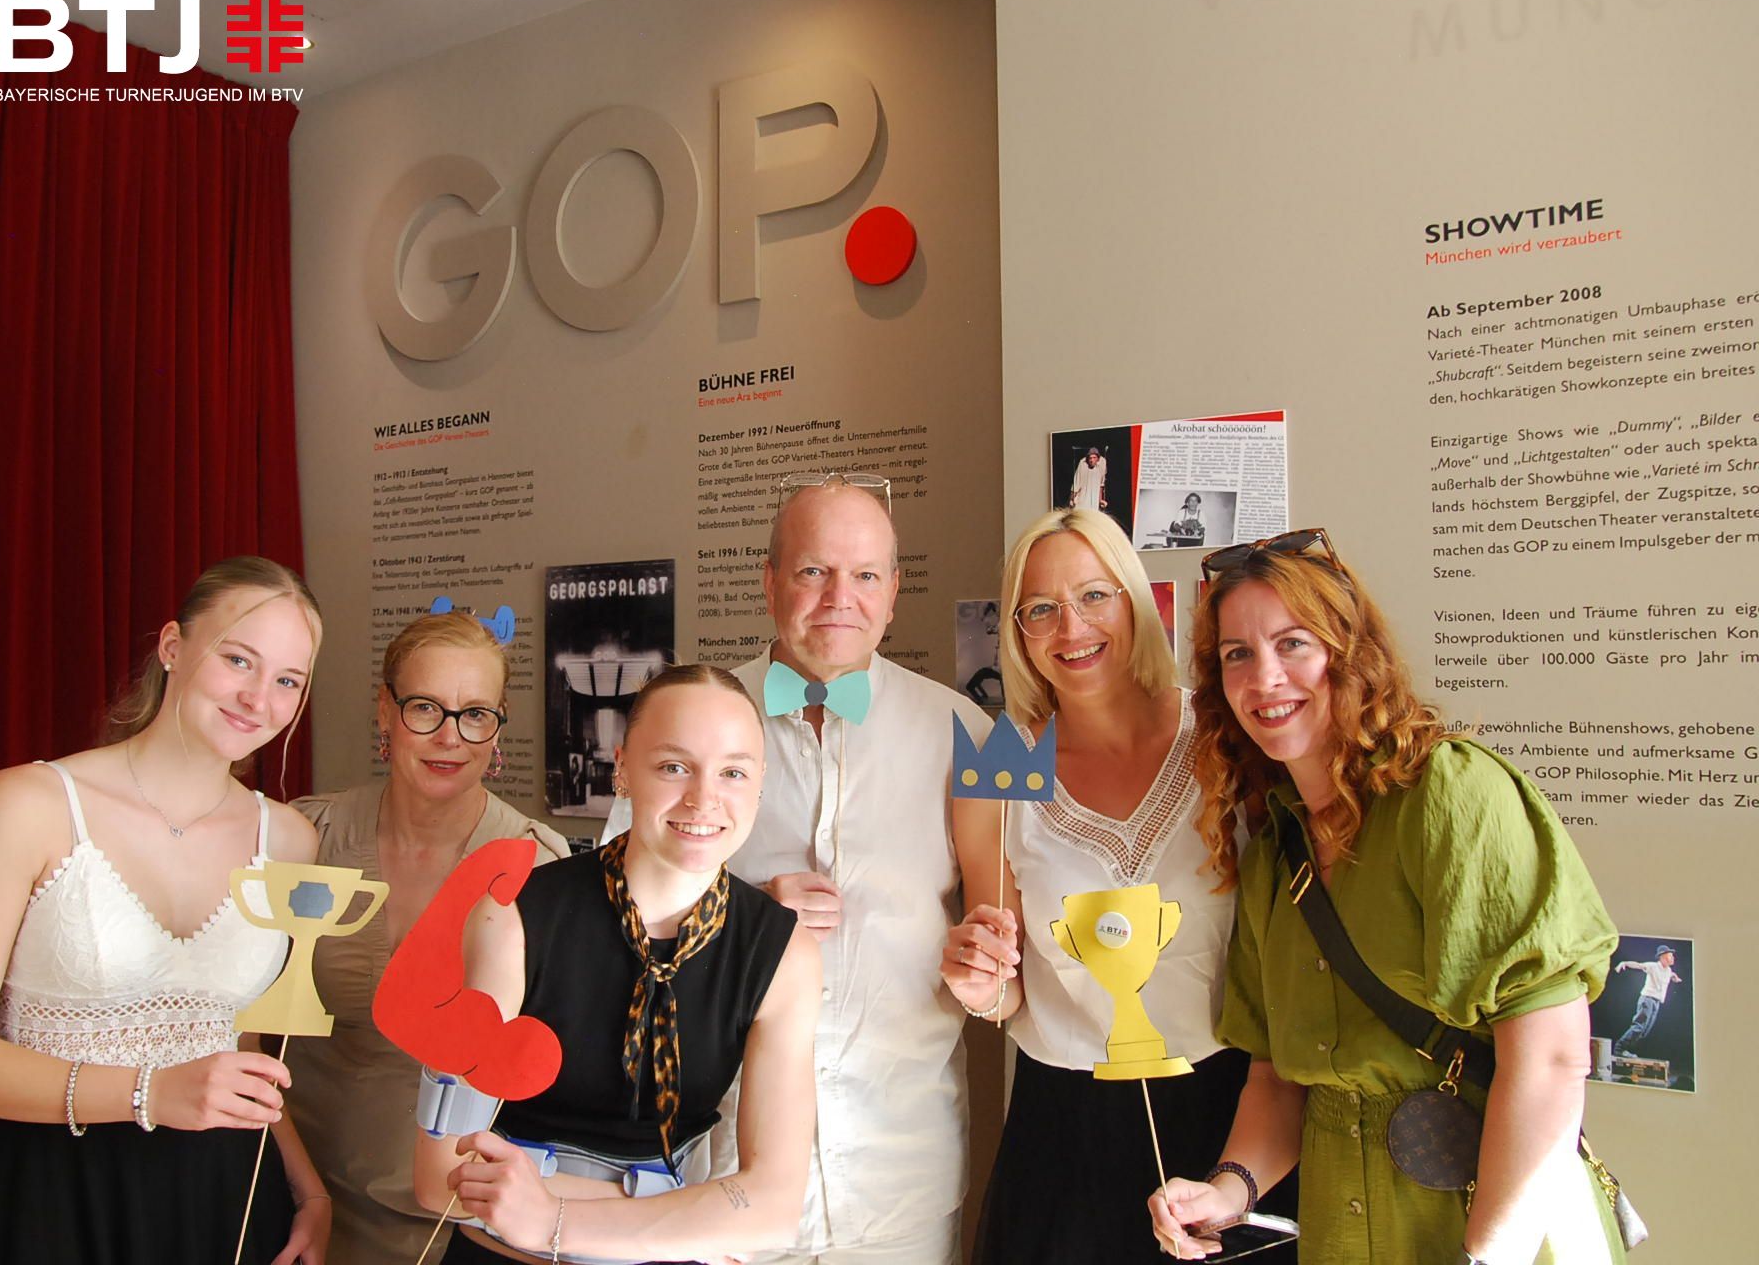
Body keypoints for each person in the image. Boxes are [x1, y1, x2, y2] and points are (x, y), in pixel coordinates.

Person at [1148, 530, 1624, 1264]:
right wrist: (1228, 1191)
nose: (1264, 677)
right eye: (1237, 654)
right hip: (1343, 1227)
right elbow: (1278, 1079)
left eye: (1293, 643)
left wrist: (1487, 1253)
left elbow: (1553, 1058)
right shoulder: (1275, 850)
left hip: (1500, 1226)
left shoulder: (1450, 794)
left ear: (1350, 652)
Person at [0, 556, 334, 1265]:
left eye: (288, 680)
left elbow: (242, 1048)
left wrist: (307, 1189)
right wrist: (149, 1092)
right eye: (238, 660)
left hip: (228, 1196)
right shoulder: (26, 806)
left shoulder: (289, 840)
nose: (259, 698)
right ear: (173, 647)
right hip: (56, 1194)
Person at [604, 472, 992, 1262]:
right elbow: (606, 913)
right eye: (815, 571)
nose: (840, 598)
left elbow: (999, 950)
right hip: (718, 1172)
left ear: (893, 594)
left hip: (899, 1181)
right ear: (771, 581)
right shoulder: (688, 717)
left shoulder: (962, 734)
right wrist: (738, 913)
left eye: (866, 575)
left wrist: (989, 972)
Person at [941, 508, 1292, 1262]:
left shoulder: (1225, 737)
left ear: (1134, 600)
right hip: (1067, 1130)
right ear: (1018, 631)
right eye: (1040, 608)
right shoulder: (1003, 766)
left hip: (1235, 1109)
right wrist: (978, 986)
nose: (1071, 628)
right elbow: (1005, 990)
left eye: (1094, 596)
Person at [413, 664, 822, 1264]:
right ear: (623, 768)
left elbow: (773, 1208)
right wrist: (688, 1214)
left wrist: (550, 1215)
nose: (703, 798)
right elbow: (439, 1173)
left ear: (759, 784)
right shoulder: (514, 915)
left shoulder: (782, 953)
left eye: (733, 772)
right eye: (674, 767)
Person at [286, 609, 568, 1263]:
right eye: (425, 709)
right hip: (293, 1197)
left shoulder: (538, 867)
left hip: (447, 1222)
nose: (450, 737)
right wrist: (299, 1190)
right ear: (384, 712)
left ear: (498, 727)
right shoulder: (310, 836)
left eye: (476, 714)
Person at [1612, 945, 1681, 1055]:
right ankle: (1619, 1048)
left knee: (1645, 1031)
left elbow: (1671, 974)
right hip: (1647, 1000)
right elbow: (1638, 965)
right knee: (1639, 1027)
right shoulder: (1653, 966)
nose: (1673, 958)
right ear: (1662, 957)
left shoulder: (1668, 970)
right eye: (1670, 956)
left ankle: (1626, 1050)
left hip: (1656, 1002)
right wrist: (1624, 963)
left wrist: (1674, 977)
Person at [1068, 446, 1108, 513]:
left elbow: (1101, 485)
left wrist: (1100, 500)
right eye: (1090, 458)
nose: (1092, 460)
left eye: (1094, 458)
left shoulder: (1101, 465)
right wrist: (1071, 499)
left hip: (1093, 503)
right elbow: (1076, 484)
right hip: (1082, 501)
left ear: (1098, 459)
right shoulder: (1082, 465)